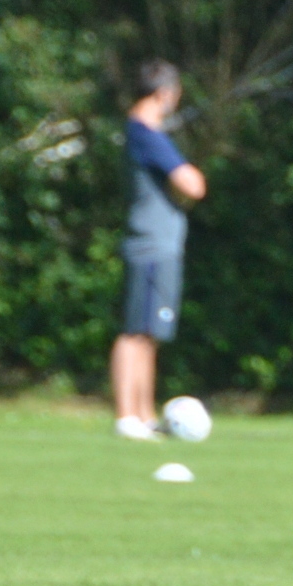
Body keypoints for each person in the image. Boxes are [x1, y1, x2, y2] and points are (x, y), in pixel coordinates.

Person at [111, 61, 206, 440]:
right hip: (150, 243)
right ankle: (126, 417)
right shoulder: (146, 134)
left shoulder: (143, 133)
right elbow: (193, 184)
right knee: (135, 331)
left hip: (159, 243)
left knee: (149, 333)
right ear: (163, 93)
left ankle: (144, 416)